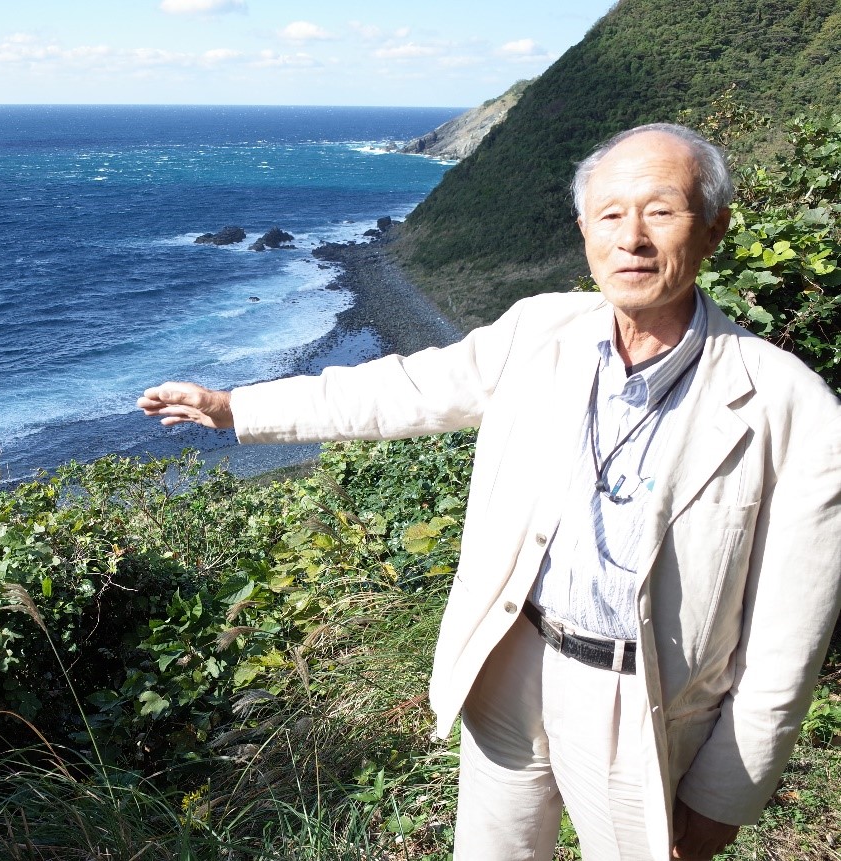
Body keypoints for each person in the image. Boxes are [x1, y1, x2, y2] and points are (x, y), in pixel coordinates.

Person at [137, 123, 841, 861]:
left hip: (644, 703)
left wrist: (724, 795)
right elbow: (401, 389)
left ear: (713, 229)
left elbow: (788, 639)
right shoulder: (540, 331)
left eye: (660, 211)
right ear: (584, 231)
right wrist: (236, 408)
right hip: (512, 659)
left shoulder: (791, 407)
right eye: (609, 214)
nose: (631, 238)